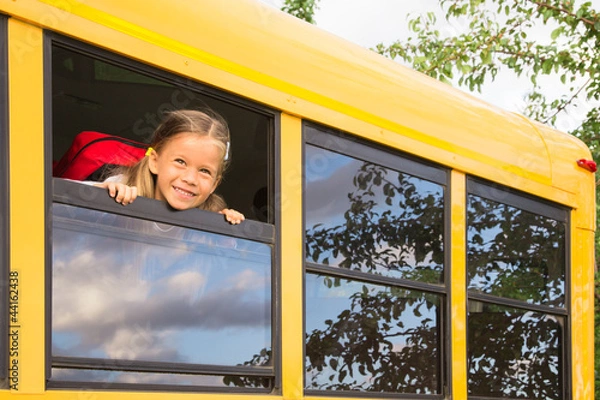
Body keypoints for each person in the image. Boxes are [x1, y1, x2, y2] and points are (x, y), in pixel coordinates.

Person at [95, 109, 245, 224]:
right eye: (180, 162)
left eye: (204, 171)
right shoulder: (122, 187)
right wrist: (100, 196)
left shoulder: (212, 218)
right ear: (154, 161)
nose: (190, 179)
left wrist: (227, 231)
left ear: (214, 184)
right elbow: (73, 206)